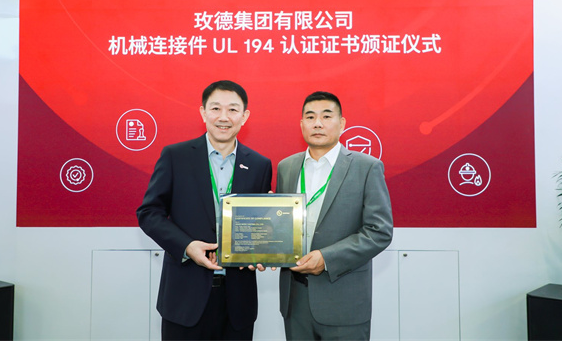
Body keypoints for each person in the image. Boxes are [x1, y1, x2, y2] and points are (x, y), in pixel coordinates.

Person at [137, 80, 272, 340]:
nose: (224, 117)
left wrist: (266, 245)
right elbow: (149, 213)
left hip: (238, 303)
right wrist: (187, 247)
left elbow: (259, 224)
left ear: (245, 116)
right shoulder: (175, 156)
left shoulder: (259, 165)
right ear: (203, 112)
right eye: (216, 108)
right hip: (184, 298)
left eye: (233, 110)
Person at [276, 91, 393, 340]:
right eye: (310, 117)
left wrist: (326, 258)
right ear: (302, 124)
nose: (317, 123)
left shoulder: (367, 167)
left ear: (342, 123)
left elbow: (379, 232)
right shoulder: (286, 167)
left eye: (326, 116)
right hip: (295, 301)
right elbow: (283, 225)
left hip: (344, 301)